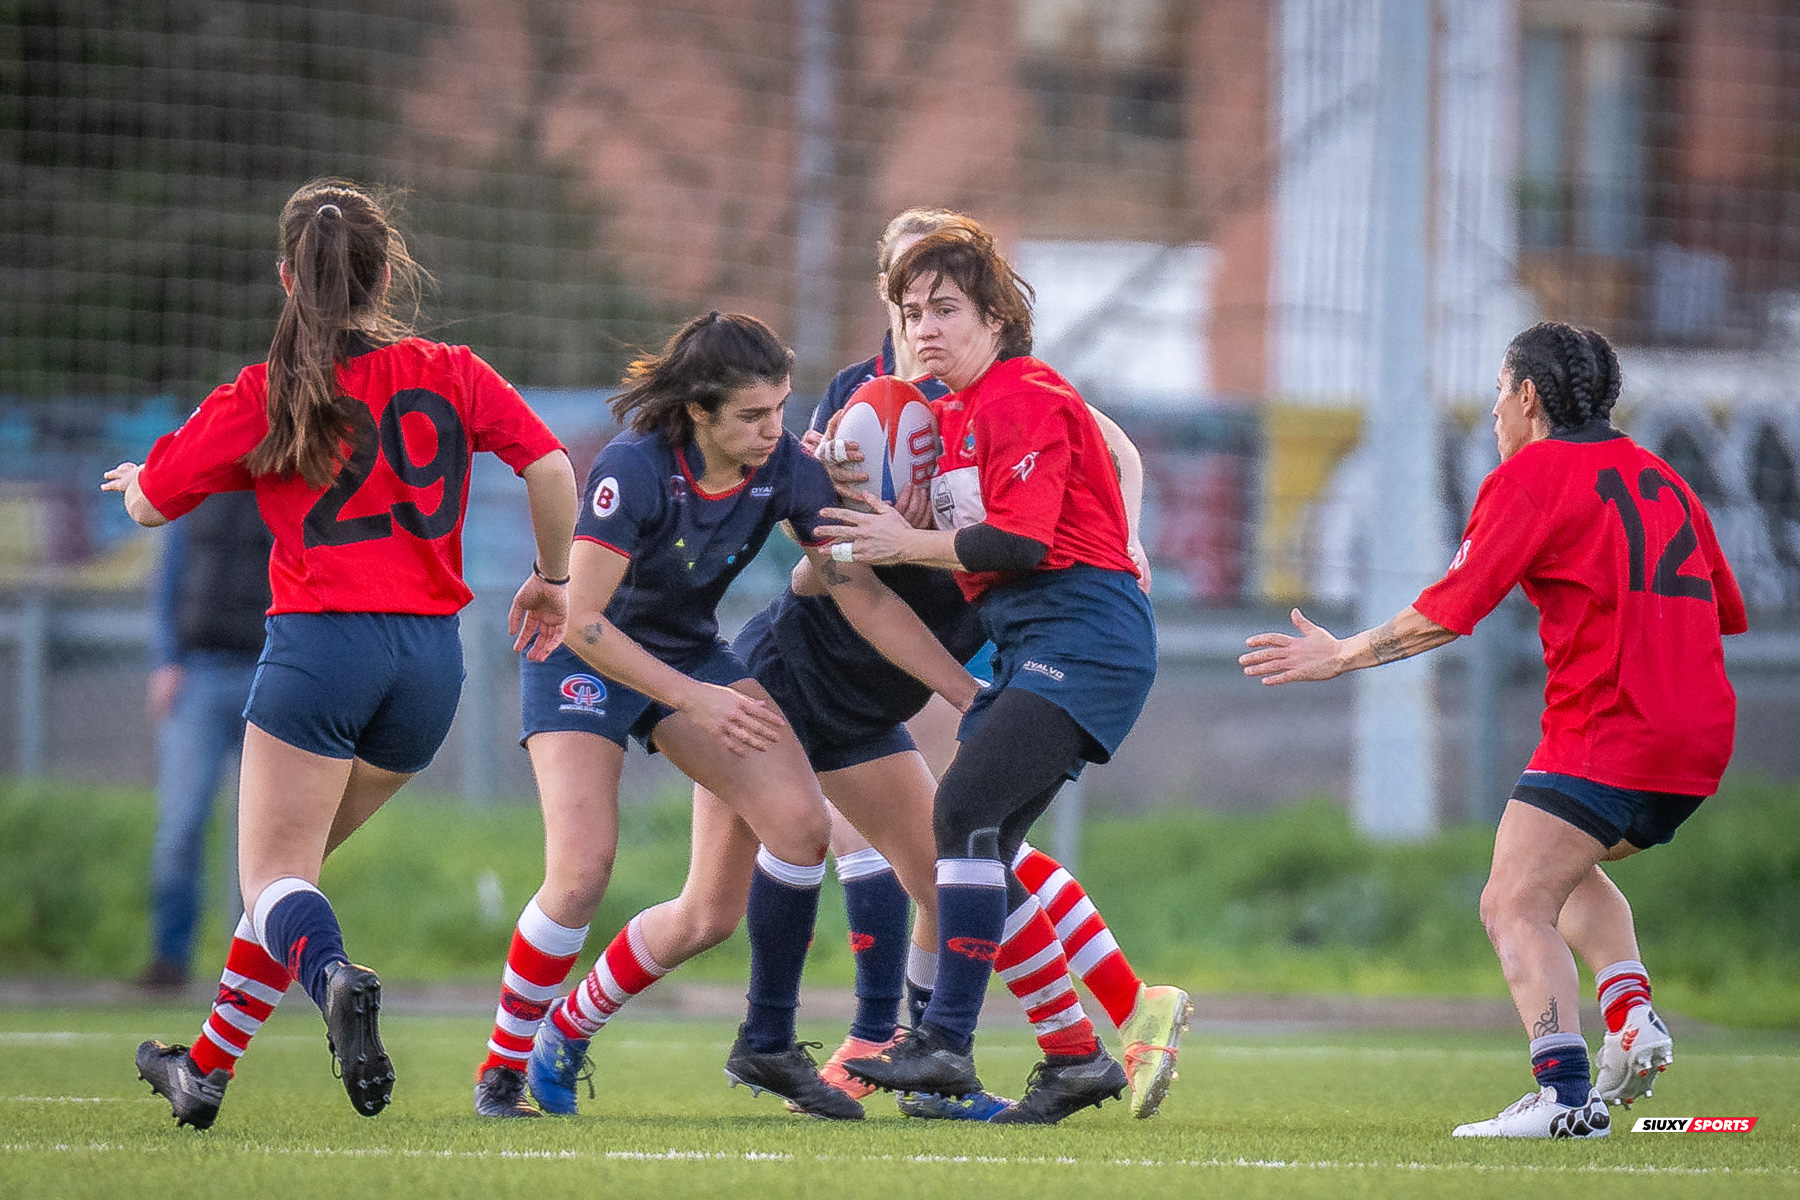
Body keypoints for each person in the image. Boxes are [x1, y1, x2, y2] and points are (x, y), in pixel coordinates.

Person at [104, 178, 577, 1131]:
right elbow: (552, 465)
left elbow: (152, 504)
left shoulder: (272, 390)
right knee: (288, 880)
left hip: (324, 648)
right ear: (390, 270)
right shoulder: (453, 369)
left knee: (271, 881)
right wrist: (552, 579)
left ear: (289, 278)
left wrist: (135, 480)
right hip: (430, 667)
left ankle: (333, 980)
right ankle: (201, 1074)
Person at [1238, 323, 1745, 1139]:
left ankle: (1564, 1096)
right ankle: (1631, 1012)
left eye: (1498, 392)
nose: (1495, 413)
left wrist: (1342, 654)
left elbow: (1451, 608)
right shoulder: (1664, 479)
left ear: (1528, 397)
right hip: (1697, 738)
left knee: (1511, 901)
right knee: (1561, 873)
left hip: (1609, 727)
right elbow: (1725, 607)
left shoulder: (1535, 474)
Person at [483, 310, 971, 1121]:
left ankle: (765, 1042)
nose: (774, 430)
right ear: (699, 412)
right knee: (581, 874)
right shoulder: (632, 472)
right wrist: (696, 698)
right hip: (585, 660)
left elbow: (860, 592)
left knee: (790, 835)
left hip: (685, 654)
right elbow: (587, 622)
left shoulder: (785, 467)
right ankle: (503, 1067)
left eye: (780, 409)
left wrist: (961, 691)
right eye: (753, 415)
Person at [788, 209, 1189, 1122]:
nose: (925, 328)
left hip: (1084, 641)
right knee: (988, 851)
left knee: (959, 812)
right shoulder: (950, 410)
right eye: (912, 310)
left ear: (996, 321)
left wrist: (904, 536)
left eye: (946, 310)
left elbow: (1016, 539)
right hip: (1041, 643)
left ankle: (943, 1044)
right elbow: (855, 541)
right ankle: (1077, 1061)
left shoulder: (1023, 395)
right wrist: (836, 481)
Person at [136, 491, 272, 991]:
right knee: (181, 824)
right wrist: (165, 660)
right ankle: (170, 960)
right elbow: (169, 579)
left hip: (270, 675)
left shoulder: (290, 480)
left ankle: (251, 971)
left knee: (259, 840)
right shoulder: (197, 489)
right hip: (199, 675)